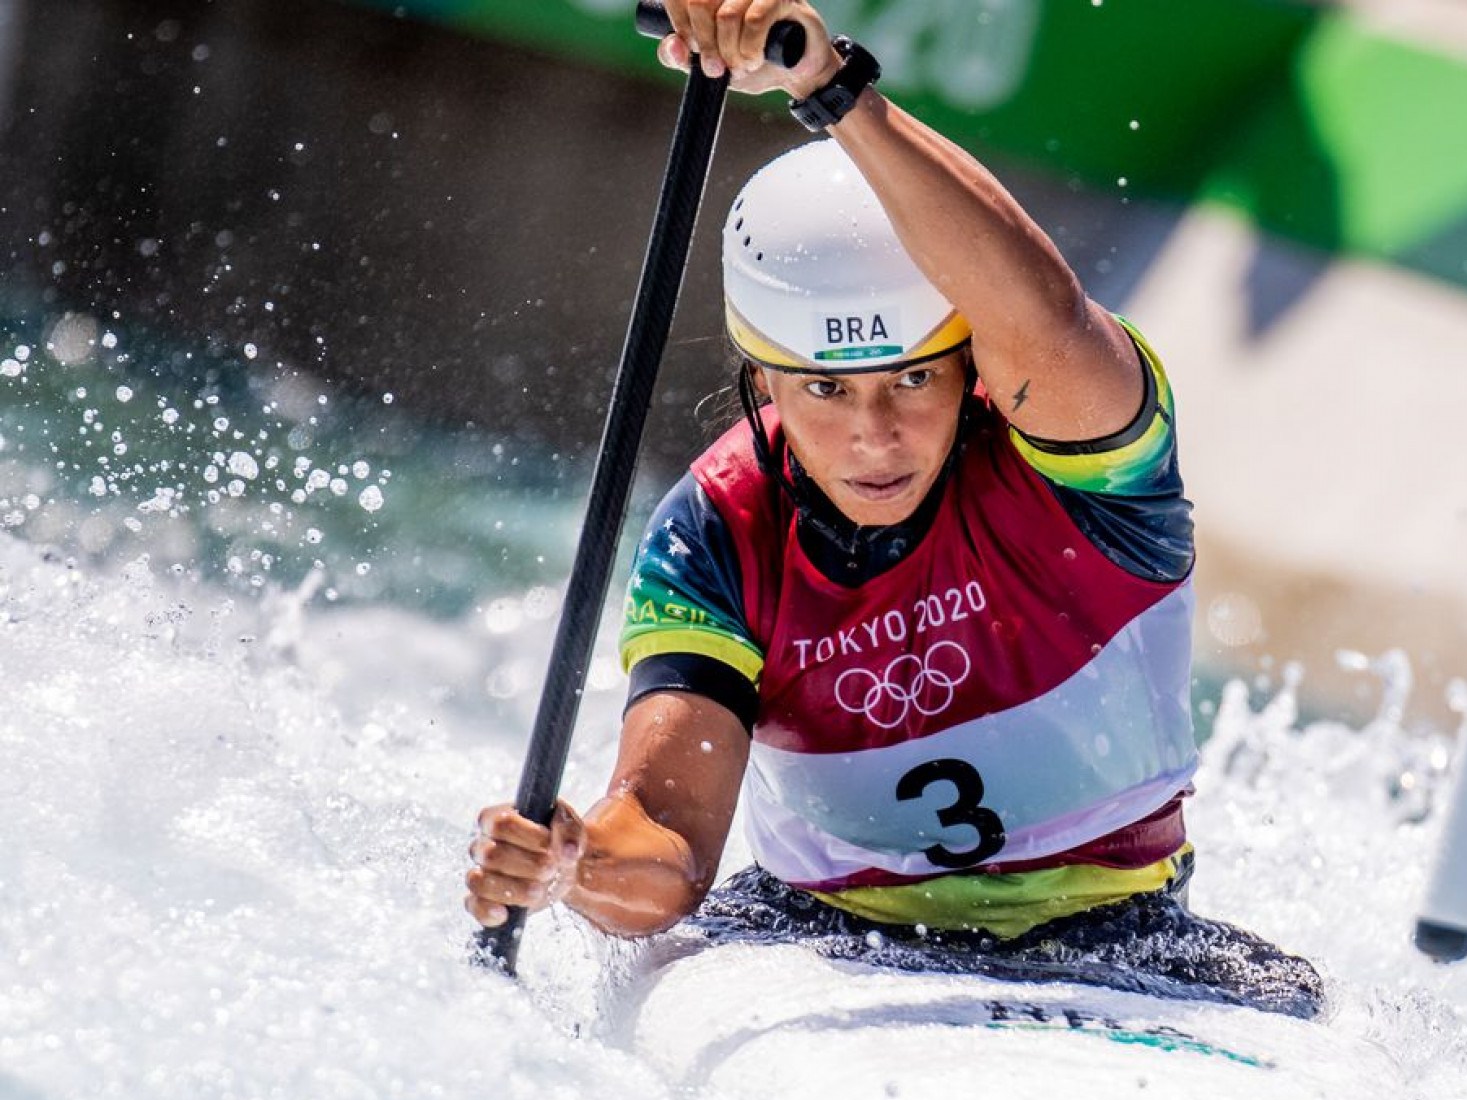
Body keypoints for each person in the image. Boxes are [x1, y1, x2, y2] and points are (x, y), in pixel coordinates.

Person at [466, 0, 1322, 1017]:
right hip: (814, 933)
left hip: (1121, 934)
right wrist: (572, 864)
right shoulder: (715, 535)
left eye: (912, 379)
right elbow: (668, 845)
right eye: (826, 390)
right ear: (764, 381)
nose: (875, 436)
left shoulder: (1076, 457)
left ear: (967, 360)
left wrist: (830, 88)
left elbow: (1043, 314)